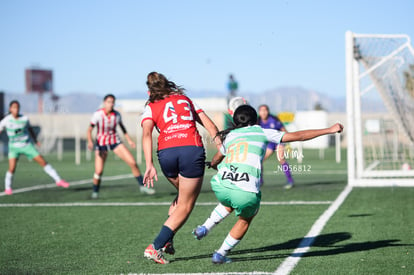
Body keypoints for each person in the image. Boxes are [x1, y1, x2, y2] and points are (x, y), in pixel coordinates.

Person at [192, 105, 343, 264]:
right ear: (255, 119)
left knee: (229, 200)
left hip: (220, 184)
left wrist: (214, 165)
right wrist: (329, 129)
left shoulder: (230, 135)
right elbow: (299, 136)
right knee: (245, 218)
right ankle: (220, 254)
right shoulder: (261, 131)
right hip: (245, 190)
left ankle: (204, 227)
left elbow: (216, 158)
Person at [141, 72, 220, 264]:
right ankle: (155, 246)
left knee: (182, 196)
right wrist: (220, 146)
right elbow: (210, 125)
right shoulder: (185, 99)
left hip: (166, 153)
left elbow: (146, 135)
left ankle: (168, 239)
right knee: (186, 203)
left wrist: (149, 165)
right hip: (190, 150)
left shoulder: (150, 106)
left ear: (149, 90)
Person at [87, 94, 154, 199]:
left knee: (132, 162)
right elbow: (90, 129)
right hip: (101, 144)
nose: (111, 104)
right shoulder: (98, 114)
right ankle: (95, 192)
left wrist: (129, 140)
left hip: (115, 142)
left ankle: (143, 186)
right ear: (104, 103)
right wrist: (90, 141)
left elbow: (122, 128)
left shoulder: (117, 115)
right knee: (98, 171)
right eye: (109, 102)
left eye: (112, 102)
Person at [0, 100, 70, 195]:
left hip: (27, 145)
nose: (16, 109)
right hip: (14, 147)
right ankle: (8, 188)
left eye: (17, 107)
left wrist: (35, 140)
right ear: (10, 109)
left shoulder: (24, 119)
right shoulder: (6, 120)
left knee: (42, 161)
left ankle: (58, 180)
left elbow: (30, 130)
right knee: (12, 168)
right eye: (14, 107)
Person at [258, 104, 294, 189]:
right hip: (269, 144)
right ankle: (260, 181)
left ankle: (290, 181)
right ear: (259, 112)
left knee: (281, 160)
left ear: (268, 111)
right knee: (259, 160)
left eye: (265, 110)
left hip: (278, 142)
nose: (263, 112)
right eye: (261, 110)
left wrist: (288, 144)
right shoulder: (257, 121)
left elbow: (284, 130)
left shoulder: (274, 119)